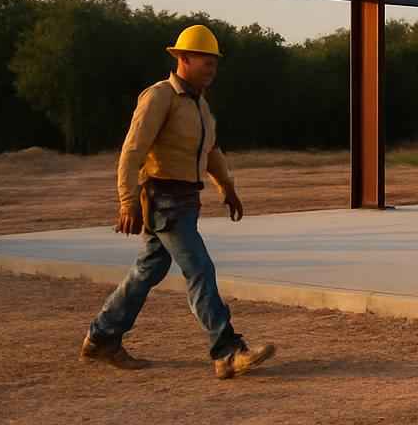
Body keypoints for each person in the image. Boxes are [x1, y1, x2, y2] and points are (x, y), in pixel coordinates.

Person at [80, 24, 277, 379]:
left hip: (186, 200)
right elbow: (132, 152)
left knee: (147, 271)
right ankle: (227, 350)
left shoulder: (200, 105)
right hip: (163, 200)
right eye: (206, 61)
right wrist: (127, 202)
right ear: (183, 59)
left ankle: (102, 336)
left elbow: (211, 150)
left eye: (215, 63)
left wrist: (227, 187)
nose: (212, 69)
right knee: (199, 268)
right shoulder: (160, 97)